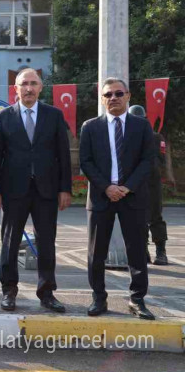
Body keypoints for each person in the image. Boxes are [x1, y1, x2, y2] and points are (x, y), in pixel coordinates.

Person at [0, 68, 71, 313]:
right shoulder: (3, 116)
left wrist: (65, 188)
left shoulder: (54, 115)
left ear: (41, 87)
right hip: (14, 190)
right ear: (15, 88)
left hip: (46, 190)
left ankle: (47, 292)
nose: (29, 88)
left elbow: (63, 156)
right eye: (24, 84)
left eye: (33, 83)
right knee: (10, 242)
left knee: (47, 243)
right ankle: (9, 291)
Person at [79, 78, 156, 320]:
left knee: (136, 250)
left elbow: (148, 161)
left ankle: (137, 299)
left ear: (128, 96)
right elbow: (86, 162)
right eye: (108, 94)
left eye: (118, 93)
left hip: (132, 197)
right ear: (102, 99)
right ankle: (98, 298)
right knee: (96, 252)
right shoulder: (90, 127)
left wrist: (126, 187)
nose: (113, 98)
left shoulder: (142, 127)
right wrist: (107, 187)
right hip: (102, 198)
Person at [127, 105, 169, 266]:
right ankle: (143, 251)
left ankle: (161, 251)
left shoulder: (156, 137)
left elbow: (159, 161)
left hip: (151, 183)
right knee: (138, 220)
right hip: (133, 185)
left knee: (155, 217)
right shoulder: (127, 137)